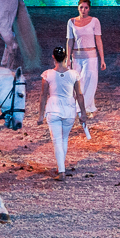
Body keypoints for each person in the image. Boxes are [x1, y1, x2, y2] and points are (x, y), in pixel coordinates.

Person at [37, 47, 87, 181]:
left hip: (53, 108)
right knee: (63, 139)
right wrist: (83, 113)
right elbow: (80, 95)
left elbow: (43, 95)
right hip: (69, 109)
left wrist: (41, 115)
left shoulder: (47, 75)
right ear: (66, 57)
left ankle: (62, 171)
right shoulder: (74, 74)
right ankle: (61, 167)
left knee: (57, 140)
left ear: (53, 57)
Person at [65, 0, 106, 117]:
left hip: (91, 56)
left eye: (86, 8)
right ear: (78, 8)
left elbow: (98, 40)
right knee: (79, 83)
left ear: (89, 9)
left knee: (90, 80)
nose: (83, 10)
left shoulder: (95, 21)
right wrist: (68, 58)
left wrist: (102, 59)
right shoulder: (71, 22)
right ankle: (88, 107)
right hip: (76, 56)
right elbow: (70, 40)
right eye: (81, 7)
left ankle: (83, 108)